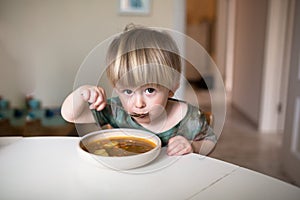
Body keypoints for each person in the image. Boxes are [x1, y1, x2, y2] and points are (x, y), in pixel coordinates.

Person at [61, 24, 216, 156]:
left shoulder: (190, 118)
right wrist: (82, 93)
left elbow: (210, 140)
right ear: (116, 88)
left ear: (171, 88)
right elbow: (70, 115)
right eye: (128, 92)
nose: (138, 103)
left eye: (149, 90)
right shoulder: (116, 110)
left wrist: (193, 146)